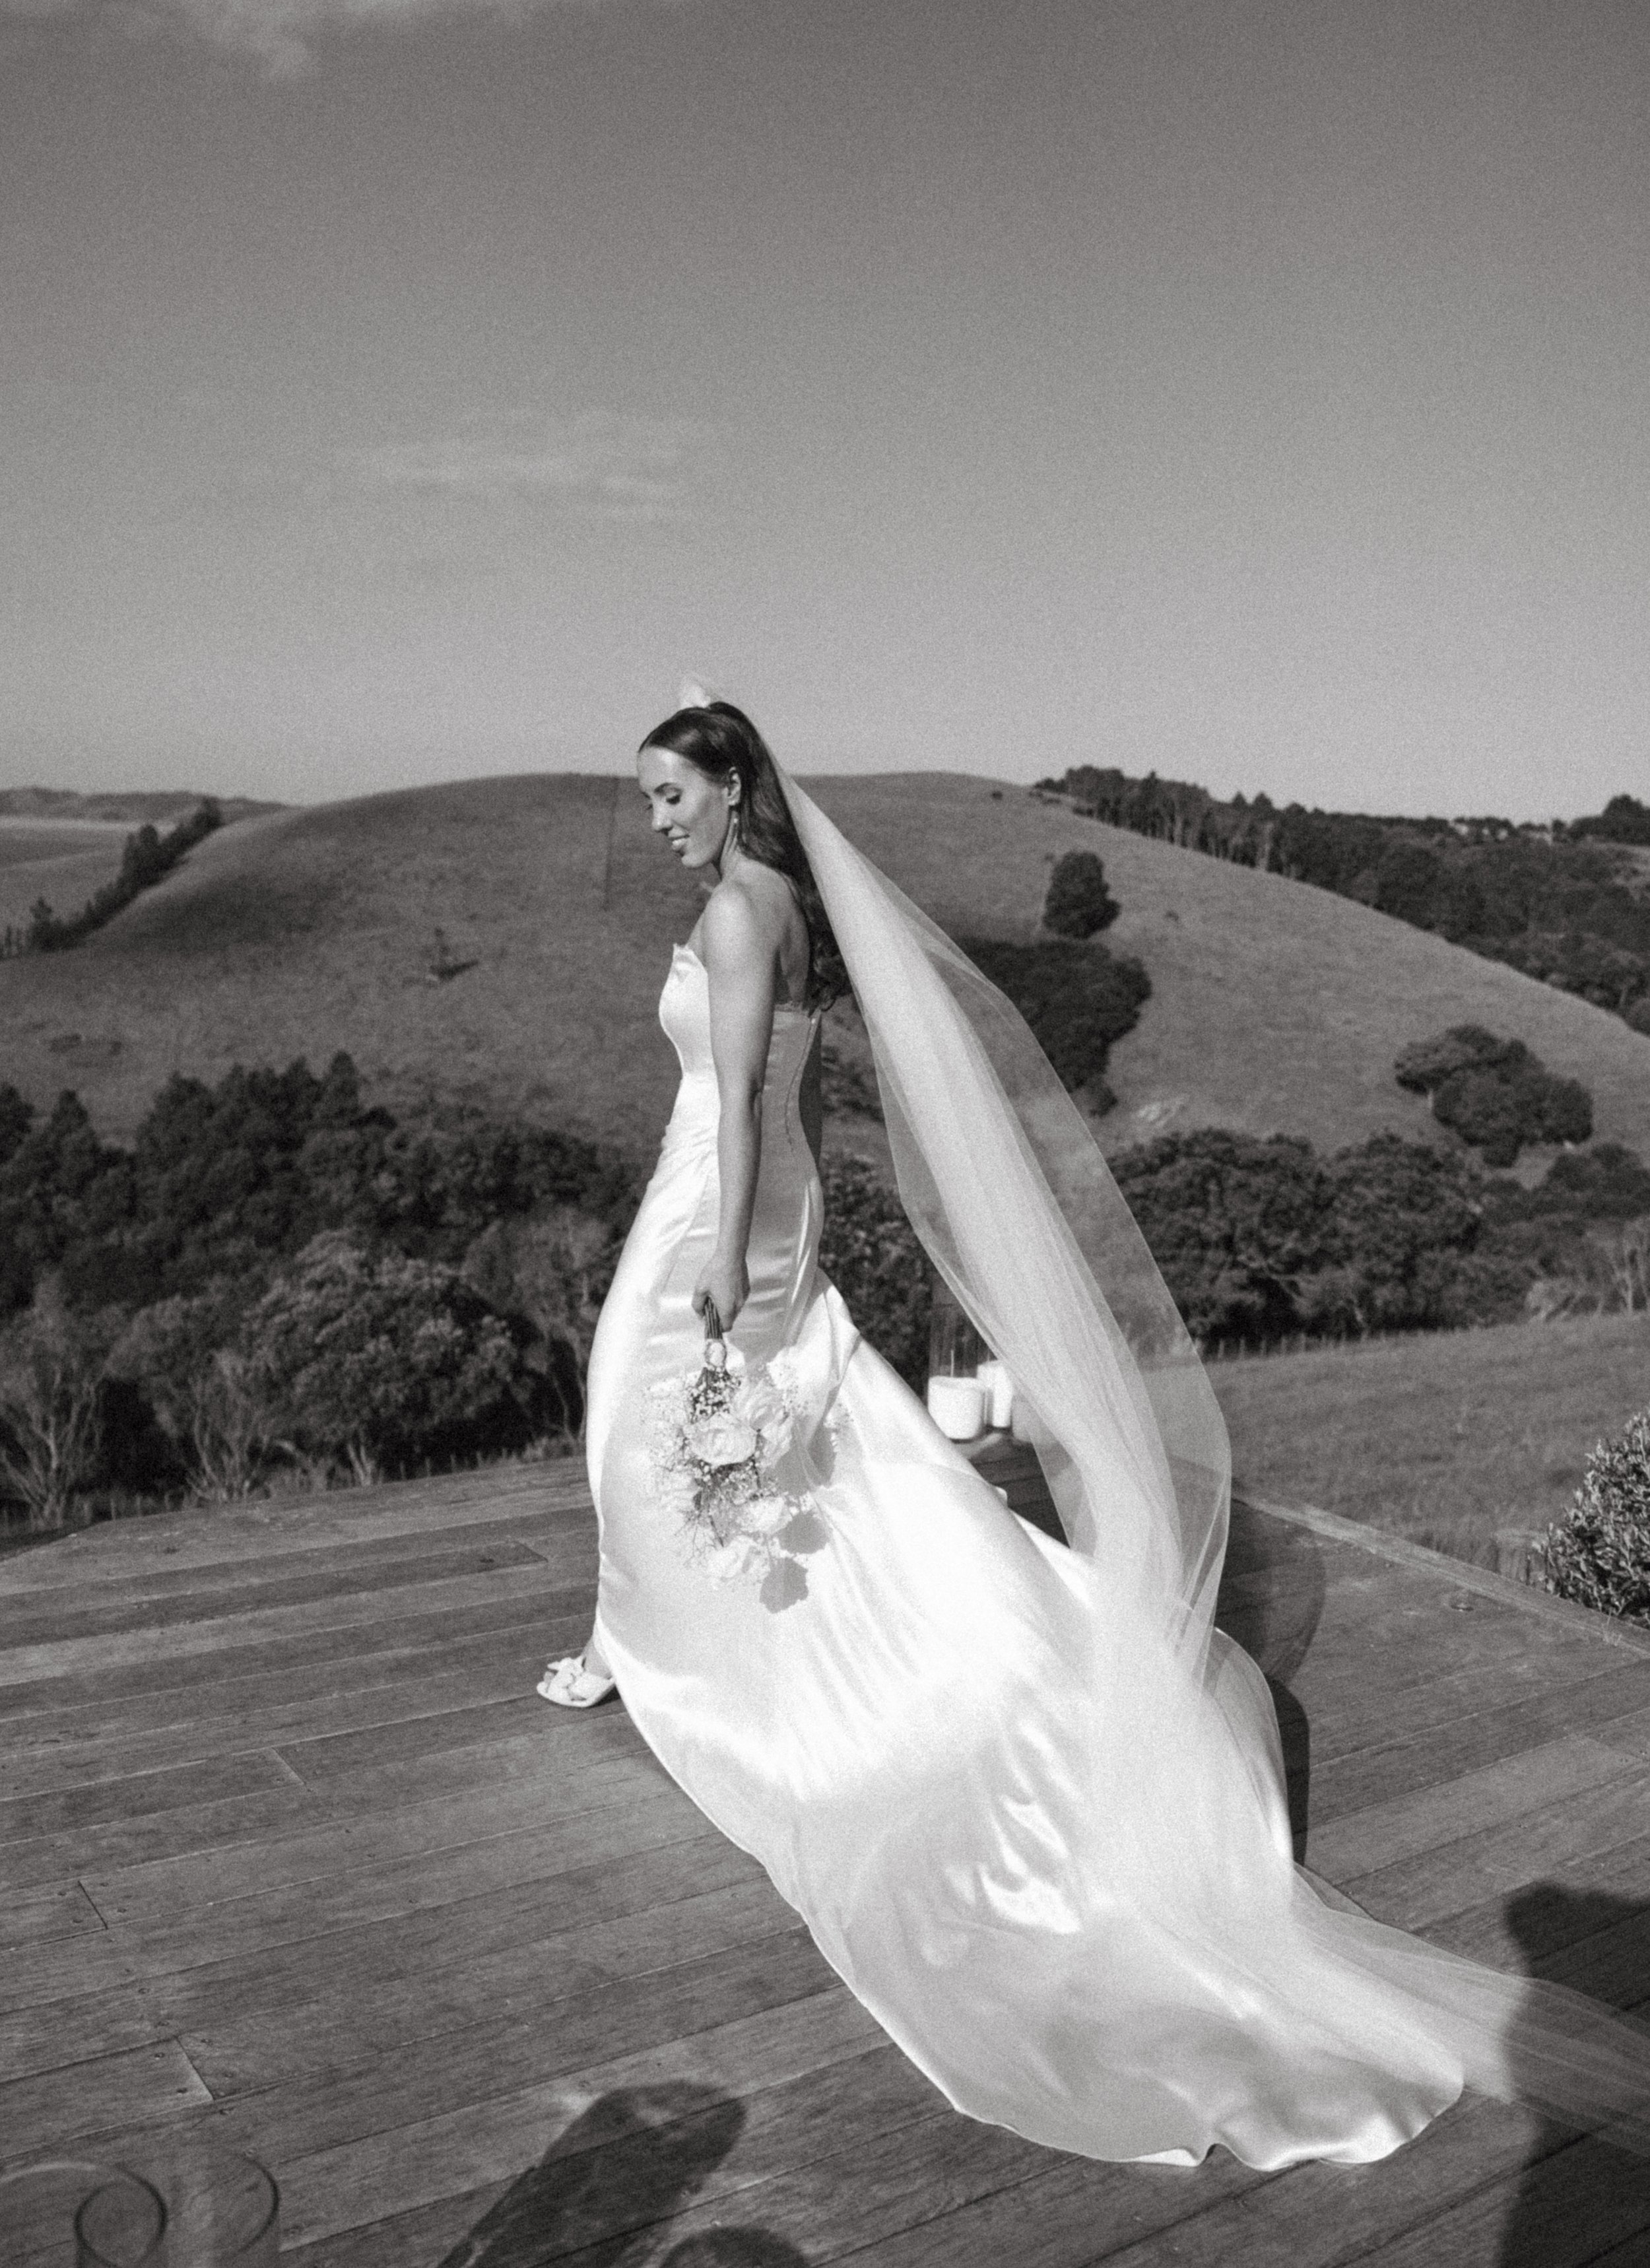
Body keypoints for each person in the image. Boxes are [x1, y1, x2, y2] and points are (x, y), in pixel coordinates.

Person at [539, 694, 1650, 2168]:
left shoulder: (741, 916)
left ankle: (651, 1645)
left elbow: (739, 1097)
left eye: (671, 792)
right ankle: (653, 1632)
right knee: (783, 1429)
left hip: (721, 1197)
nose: (658, 819)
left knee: (646, 1396)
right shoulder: (785, 905)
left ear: (731, 782)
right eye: (648, 796)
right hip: (771, 1192)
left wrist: (720, 1249)